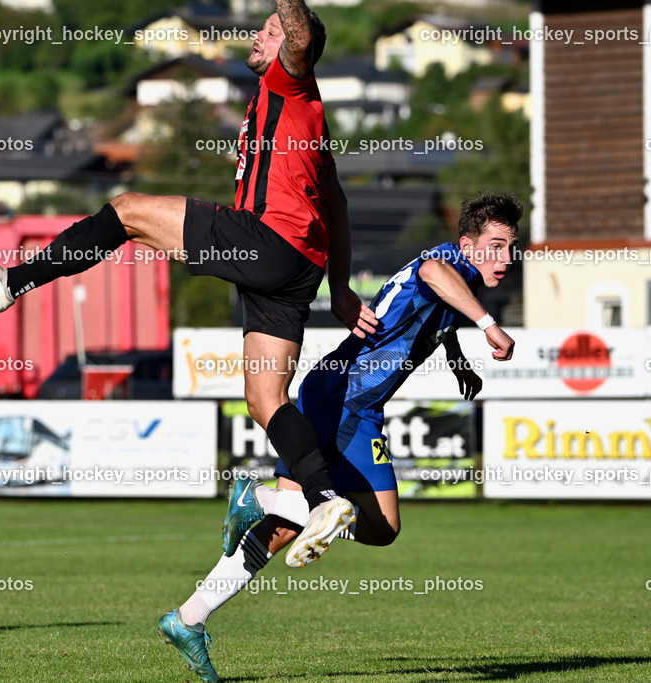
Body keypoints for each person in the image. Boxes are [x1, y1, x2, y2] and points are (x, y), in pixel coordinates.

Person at [0, 2, 376, 563]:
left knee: (128, 211)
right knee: (265, 399)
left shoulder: (290, 80)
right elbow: (338, 204)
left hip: (269, 242)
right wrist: (341, 287)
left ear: (290, 48)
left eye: (270, 30)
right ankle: (324, 500)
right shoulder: (308, 115)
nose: (260, 34)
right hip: (299, 270)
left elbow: (301, 35)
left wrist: (289, 17)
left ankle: (12, 281)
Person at [157, 192, 521, 682]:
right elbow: (435, 276)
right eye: (496, 245)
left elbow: (436, 306)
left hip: (343, 396)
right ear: (467, 244)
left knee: (290, 528)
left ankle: (188, 618)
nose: (506, 258)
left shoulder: (464, 275)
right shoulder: (450, 264)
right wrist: (489, 325)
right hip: (346, 400)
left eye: (511, 247)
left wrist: (456, 354)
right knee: (381, 526)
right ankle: (258, 496)